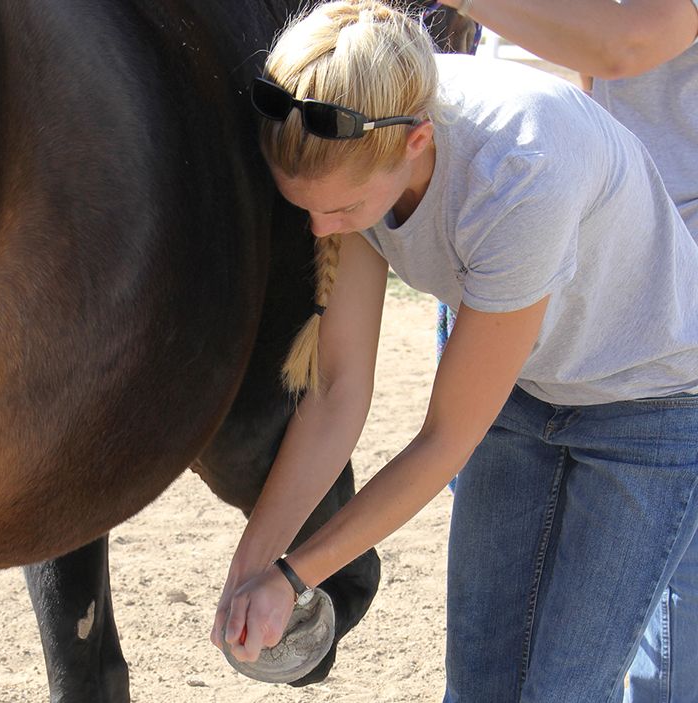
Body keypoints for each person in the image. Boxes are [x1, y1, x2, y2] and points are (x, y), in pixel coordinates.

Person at [210, 2, 698, 700]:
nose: (324, 226)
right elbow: (338, 392)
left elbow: (442, 441)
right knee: (479, 686)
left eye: (344, 211)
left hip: (648, 407)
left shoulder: (520, 169)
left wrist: (295, 576)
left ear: (415, 142)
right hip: (527, 392)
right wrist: (250, 565)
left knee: (561, 689)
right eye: (307, 208)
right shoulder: (353, 132)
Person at [432, 2, 698, 699]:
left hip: (662, 330)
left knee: (661, 658)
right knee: (494, 662)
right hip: (533, 288)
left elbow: (628, 43)